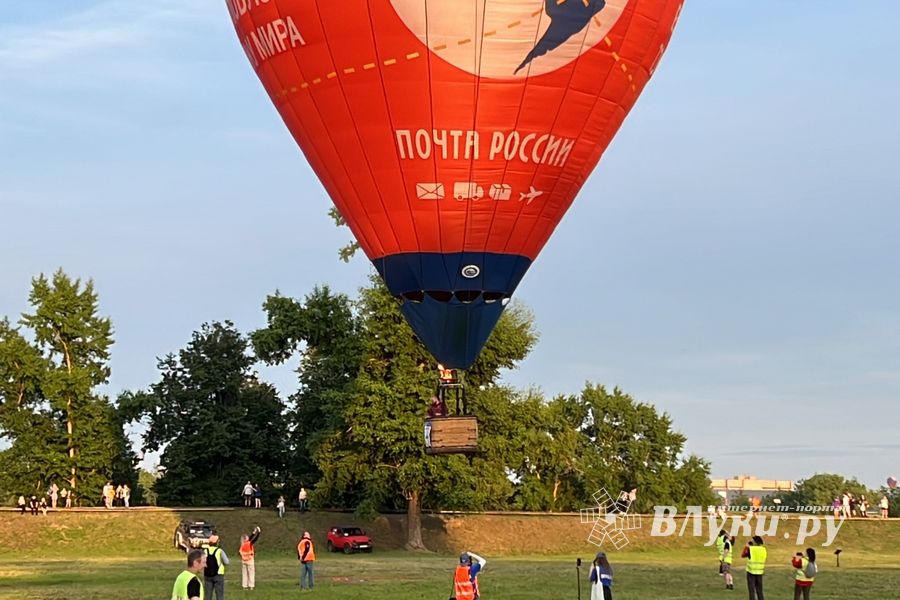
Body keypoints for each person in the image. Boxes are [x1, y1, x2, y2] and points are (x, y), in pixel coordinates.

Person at [204, 533, 230, 600]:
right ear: (216, 542)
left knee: (208, 595)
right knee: (219, 595)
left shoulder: (205, 551)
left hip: (207, 575)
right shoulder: (219, 551)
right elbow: (227, 562)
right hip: (218, 574)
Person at [741, 535, 767, 600]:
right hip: (759, 572)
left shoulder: (751, 549)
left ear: (755, 542)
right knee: (759, 591)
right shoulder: (763, 549)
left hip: (751, 572)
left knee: (751, 590)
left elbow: (743, 555)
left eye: (752, 541)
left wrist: (746, 547)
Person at [239, 526, 261, 591]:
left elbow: (250, 538)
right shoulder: (249, 544)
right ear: (246, 539)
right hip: (250, 560)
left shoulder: (242, 545)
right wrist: (259, 532)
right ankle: (251, 586)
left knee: (244, 574)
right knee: (251, 573)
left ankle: (244, 586)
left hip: (243, 560)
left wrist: (253, 532)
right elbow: (255, 539)